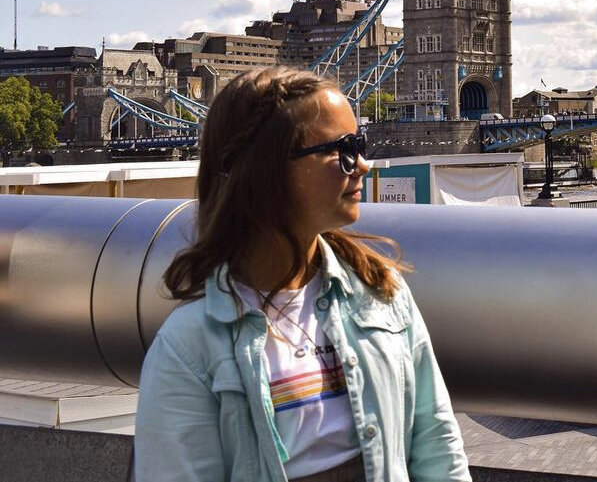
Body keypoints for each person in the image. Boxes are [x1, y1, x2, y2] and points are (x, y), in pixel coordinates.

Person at [135, 67, 470, 482]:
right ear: (268, 169)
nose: (363, 165)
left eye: (361, 145)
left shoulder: (381, 291)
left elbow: (438, 448)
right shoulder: (187, 348)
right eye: (345, 149)